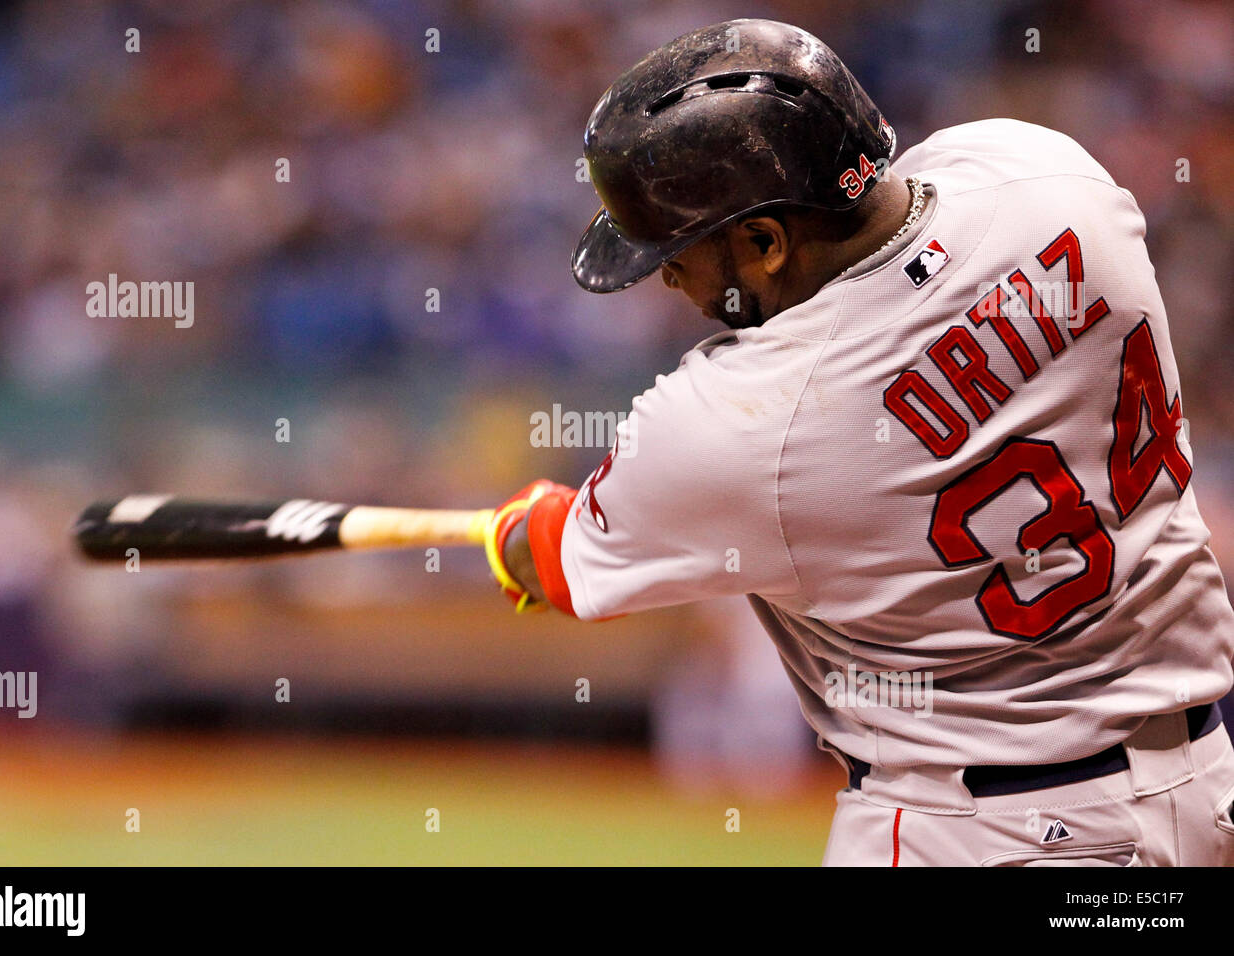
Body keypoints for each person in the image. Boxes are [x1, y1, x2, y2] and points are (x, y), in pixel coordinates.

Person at [483, 18, 1234, 866]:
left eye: (679, 251)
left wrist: (515, 528)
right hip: (1206, 786)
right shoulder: (1046, 170)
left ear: (766, 242)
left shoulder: (739, 421)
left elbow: (553, 564)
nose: (666, 276)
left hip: (981, 833)